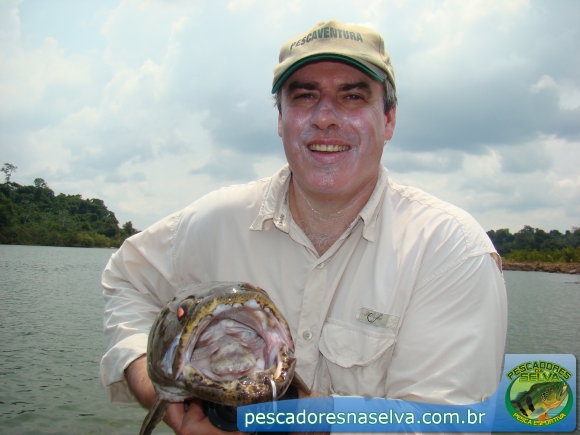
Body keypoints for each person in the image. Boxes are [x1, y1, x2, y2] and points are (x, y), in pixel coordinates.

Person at [100, 19, 507, 435]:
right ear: (281, 119)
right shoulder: (214, 219)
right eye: (304, 96)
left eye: (352, 96)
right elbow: (128, 279)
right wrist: (154, 382)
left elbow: (447, 425)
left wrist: (300, 421)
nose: (325, 118)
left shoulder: (451, 250)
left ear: (388, 119)